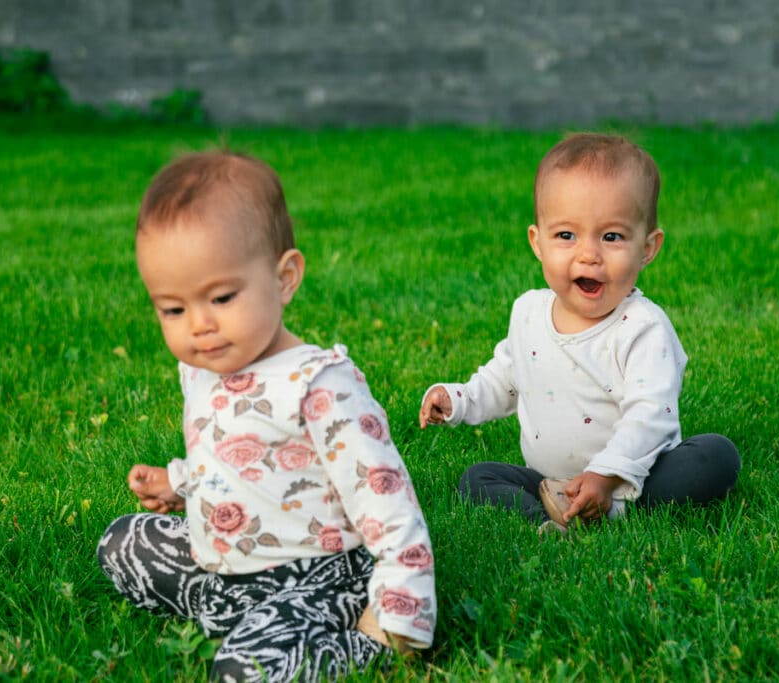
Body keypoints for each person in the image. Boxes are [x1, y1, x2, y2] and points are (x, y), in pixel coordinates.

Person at [97, 151, 436, 682]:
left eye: (222, 297)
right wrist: (181, 483)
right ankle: (238, 615)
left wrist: (399, 612)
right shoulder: (206, 366)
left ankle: (353, 645)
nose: (200, 326)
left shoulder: (319, 387)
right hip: (227, 567)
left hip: (318, 574)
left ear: (284, 278)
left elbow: (386, 500)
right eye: (173, 309)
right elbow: (236, 461)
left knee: (242, 672)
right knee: (120, 543)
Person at [419, 133, 740, 533]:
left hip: (634, 477)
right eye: (566, 235)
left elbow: (650, 415)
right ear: (538, 242)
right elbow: (504, 380)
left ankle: (617, 506)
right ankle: (549, 521)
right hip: (549, 482)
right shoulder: (528, 313)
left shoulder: (642, 328)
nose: (588, 254)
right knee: (477, 479)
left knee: (715, 456)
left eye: (611, 237)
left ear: (648, 248)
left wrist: (605, 476)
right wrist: (457, 399)